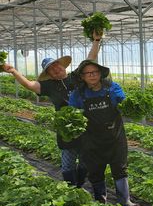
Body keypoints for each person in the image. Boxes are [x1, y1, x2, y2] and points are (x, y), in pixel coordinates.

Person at [1, 31, 103, 187]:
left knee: (85, 161)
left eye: (57, 65)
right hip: (66, 130)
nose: (56, 69)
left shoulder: (76, 77)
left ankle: (79, 185)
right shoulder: (48, 86)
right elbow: (29, 85)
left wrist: (96, 40)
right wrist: (14, 71)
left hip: (85, 127)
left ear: (62, 65)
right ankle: (70, 188)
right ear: (48, 74)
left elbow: (90, 59)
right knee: (68, 162)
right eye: (51, 69)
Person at [68, 59, 140, 206]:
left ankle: (125, 201)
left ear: (100, 74)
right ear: (82, 77)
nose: (92, 75)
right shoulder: (78, 94)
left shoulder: (112, 88)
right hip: (91, 139)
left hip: (115, 136)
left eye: (94, 72)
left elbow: (123, 102)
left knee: (120, 168)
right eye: (88, 73)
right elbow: (71, 114)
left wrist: (129, 107)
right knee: (95, 169)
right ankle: (101, 201)